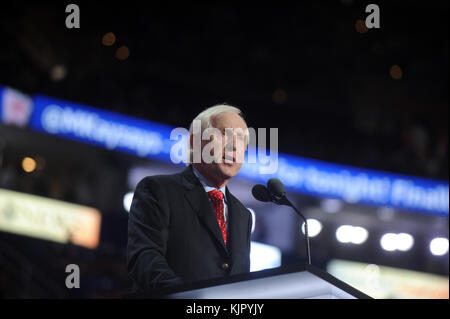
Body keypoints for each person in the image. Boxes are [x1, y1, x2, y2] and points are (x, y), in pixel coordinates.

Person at [127, 104, 252, 292]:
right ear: (195, 142)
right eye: (224, 134)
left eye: (241, 139)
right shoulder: (157, 190)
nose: (233, 145)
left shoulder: (243, 215)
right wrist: (192, 300)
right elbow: (145, 259)